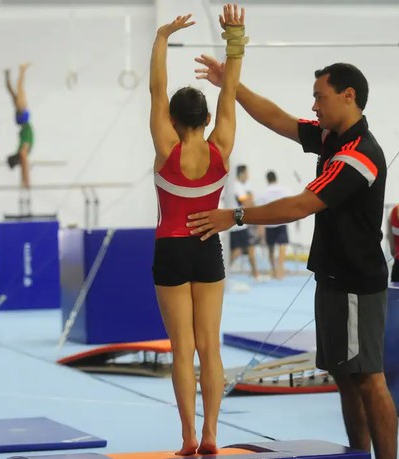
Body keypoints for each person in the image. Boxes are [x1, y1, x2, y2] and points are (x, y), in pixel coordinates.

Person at [188, 61, 398, 459]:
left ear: (347, 95)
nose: (314, 105)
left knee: (369, 379)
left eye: (320, 96)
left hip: (357, 282)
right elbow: (277, 120)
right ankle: (358, 455)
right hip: (333, 276)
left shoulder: (360, 154)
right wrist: (230, 84)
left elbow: (301, 205)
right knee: (345, 378)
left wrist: (233, 216)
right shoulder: (332, 138)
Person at [150, 4, 245, 455]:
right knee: (211, 346)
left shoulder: (166, 145)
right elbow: (230, 94)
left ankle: (187, 436)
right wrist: (234, 41)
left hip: (170, 250)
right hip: (208, 248)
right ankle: (211, 433)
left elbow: (156, 89)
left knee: (182, 347)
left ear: (171, 120)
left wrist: (163, 38)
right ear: (206, 120)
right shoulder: (221, 148)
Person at [5, 63, 35, 189]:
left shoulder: (22, 154)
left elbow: (24, 166)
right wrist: (24, 180)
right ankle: (11, 74)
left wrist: (26, 181)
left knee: (19, 90)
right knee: (15, 93)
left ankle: (22, 70)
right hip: (21, 122)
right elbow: (24, 167)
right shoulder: (21, 153)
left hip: (23, 121)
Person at [258, 170, 290, 279]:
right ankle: (280, 270)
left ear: (267, 179)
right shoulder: (284, 191)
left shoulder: (263, 194)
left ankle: (273, 270)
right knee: (282, 246)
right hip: (281, 221)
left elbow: (261, 212)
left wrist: (260, 231)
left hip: (269, 223)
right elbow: (288, 205)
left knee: (271, 248)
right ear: (276, 178)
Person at [230, 164, 259, 279]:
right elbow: (246, 203)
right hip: (239, 224)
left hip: (236, 224)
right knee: (248, 249)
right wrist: (250, 198)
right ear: (242, 174)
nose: (248, 176)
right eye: (246, 173)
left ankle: (255, 274)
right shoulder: (238, 186)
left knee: (238, 250)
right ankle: (255, 275)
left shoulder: (236, 186)